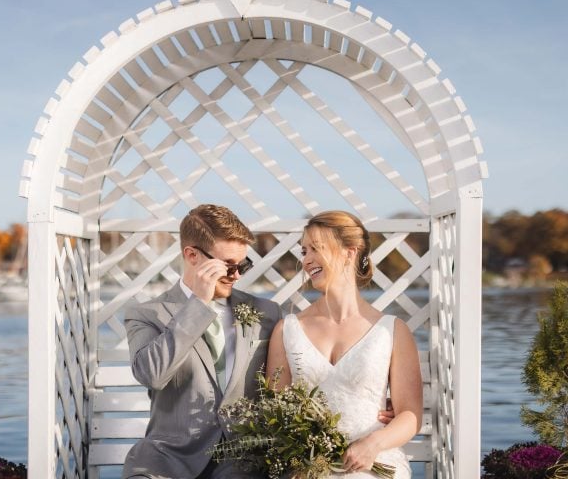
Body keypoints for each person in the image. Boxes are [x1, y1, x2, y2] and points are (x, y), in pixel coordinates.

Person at [123, 204, 284, 479]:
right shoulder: (147, 313)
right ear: (192, 255)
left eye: (243, 265)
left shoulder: (267, 313)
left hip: (242, 464)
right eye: (228, 266)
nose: (238, 276)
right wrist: (198, 304)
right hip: (166, 463)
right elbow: (152, 374)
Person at [266, 210, 423, 478]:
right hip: (308, 468)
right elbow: (275, 415)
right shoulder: (287, 330)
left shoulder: (392, 331)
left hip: (374, 463)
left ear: (349, 253)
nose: (306, 260)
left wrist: (373, 444)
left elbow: (410, 414)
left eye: (316, 249)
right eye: (304, 252)